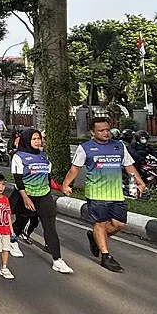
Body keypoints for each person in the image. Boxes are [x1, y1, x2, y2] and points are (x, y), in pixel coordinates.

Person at [61, 117, 146, 273]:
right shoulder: (85, 148)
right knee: (100, 223)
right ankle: (106, 256)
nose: (106, 133)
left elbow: (129, 166)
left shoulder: (119, 146)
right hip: (96, 192)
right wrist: (66, 184)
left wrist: (140, 182)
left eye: (107, 130)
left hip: (116, 193)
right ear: (92, 132)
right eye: (101, 130)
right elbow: (75, 168)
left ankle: (95, 238)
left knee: (119, 224)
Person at [9, 128, 72, 273]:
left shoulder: (44, 156)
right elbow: (18, 180)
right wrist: (25, 198)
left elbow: (47, 178)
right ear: (26, 140)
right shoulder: (19, 156)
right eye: (34, 139)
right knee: (21, 222)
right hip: (25, 196)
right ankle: (12, 240)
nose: (38, 142)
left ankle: (57, 260)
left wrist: (61, 188)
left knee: (50, 227)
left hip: (44, 196)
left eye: (39, 139)